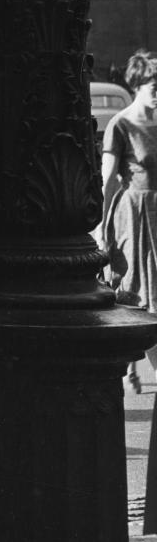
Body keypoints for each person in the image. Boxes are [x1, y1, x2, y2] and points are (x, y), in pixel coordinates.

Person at [101, 50, 157, 392]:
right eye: (153, 85)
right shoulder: (120, 123)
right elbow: (108, 180)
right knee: (142, 298)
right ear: (136, 84)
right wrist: (99, 227)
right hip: (135, 219)